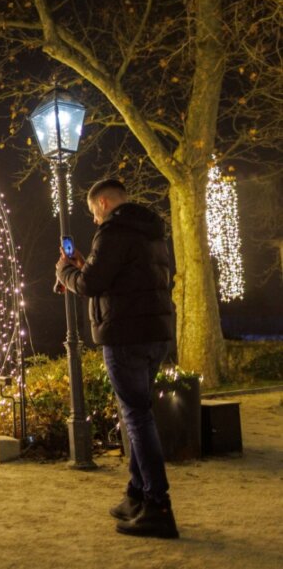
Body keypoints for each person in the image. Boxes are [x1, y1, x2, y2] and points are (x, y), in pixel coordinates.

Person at [56, 178, 178, 539]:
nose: (94, 219)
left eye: (94, 212)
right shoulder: (150, 231)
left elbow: (90, 284)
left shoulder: (112, 232)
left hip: (125, 335)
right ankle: (137, 494)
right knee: (140, 415)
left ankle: (158, 506)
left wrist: (66, 271)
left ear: (105, 203)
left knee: (136, 419)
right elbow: (118, 275)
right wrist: (87, 264)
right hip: (155, 333)